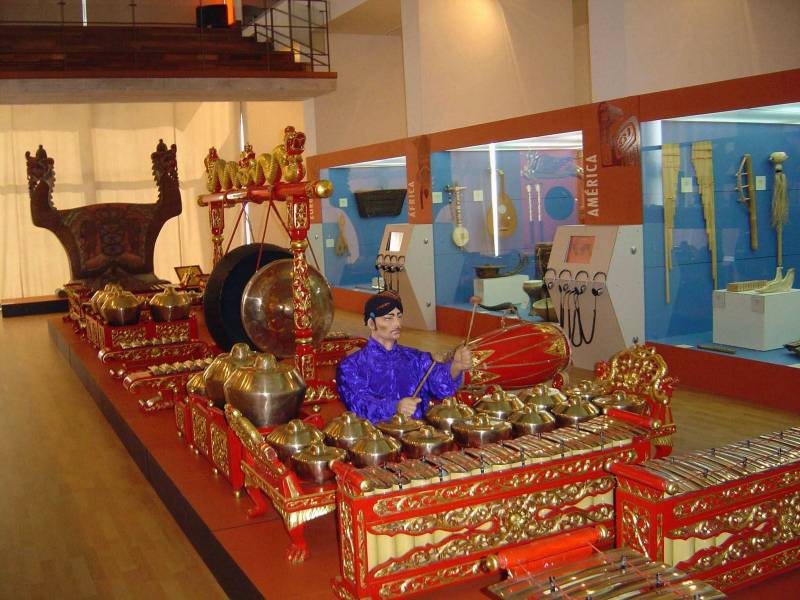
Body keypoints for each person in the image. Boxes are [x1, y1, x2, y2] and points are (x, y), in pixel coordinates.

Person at [336, 291, 472, 423]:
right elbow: (359, 405)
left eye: (399, 316)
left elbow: (440, 387)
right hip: (376, 441)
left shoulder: (415, 358)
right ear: (371, 324)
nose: (397, 324)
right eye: (389, 318)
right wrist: (395, 407)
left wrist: (455, 367)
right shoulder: (351, 366)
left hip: (417, 436)